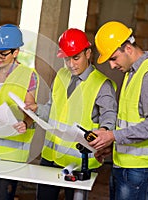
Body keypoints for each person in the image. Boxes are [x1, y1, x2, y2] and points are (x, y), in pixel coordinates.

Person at [24, 28, 117, 200]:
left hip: (79, 161)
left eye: (76, 58)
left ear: (88, 53)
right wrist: (37, 109)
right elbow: (53, 110)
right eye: (67, 58)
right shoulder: (61, 75)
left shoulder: (102, 85)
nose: (71, 64)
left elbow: (109, 118)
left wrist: (103, 134)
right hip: (50, 157)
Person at [90, 21, 148, 200]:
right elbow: (130, 121)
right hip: (124, 165)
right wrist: (111, 146)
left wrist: (112, 136)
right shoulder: (131, 73)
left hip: (140, 171)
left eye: (113, 58)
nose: (112, 66)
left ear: (128, 48)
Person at [0, 24, 39, 200]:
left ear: (16, 52)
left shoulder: (28, 75)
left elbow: (31, 111)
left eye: (3, 53)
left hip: (12, 153)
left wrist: (26, 122)